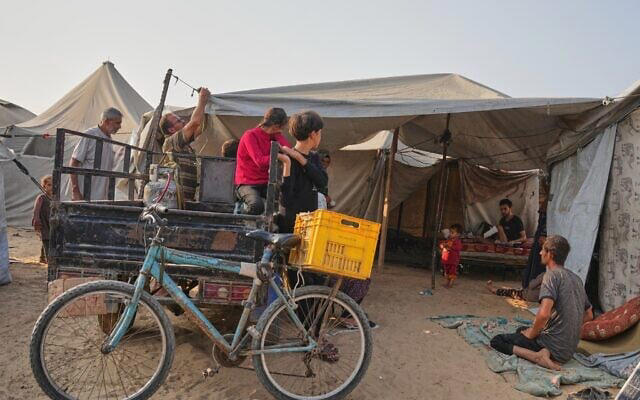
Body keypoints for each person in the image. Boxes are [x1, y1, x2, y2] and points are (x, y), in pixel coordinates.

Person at [490, 235, 594, 370]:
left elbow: (543, 314)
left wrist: (532, 333)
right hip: (568, 351)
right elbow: (589, 315)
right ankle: (544, 352)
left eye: (542, 250)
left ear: (550, 254)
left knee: (498, 341)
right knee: (521, 330)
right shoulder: (577, 279)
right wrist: (566, 329)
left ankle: (537, 356)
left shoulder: (551, 276)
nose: (540, 253)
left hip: (553, 346)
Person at [279, 110, 328, 233]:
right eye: (320, 133)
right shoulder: (286, 158)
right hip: (292, 223)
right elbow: (286, 198)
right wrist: (289, 163)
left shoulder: (314, 157)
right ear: (313, 134)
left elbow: (322, 182)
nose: (320, 137)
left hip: (311, 221)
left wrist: (300, 159)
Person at [235, 108, 291, 215]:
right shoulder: (250, 135)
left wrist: (278, 135)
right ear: (276, 125)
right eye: (282, 126)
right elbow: (259, 161)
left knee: (286, 200)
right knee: (256, 206)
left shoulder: (274, 135)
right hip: (247, 183)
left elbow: (287, 149)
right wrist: (278, 155)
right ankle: (239, 213)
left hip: (266, 182)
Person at [161, 87, 211, 202]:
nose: (183, 121)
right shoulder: (171, 142)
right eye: (178, 121)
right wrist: (202, 100)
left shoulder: (184, 145)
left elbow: (200, 126)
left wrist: (204, 104)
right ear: (172, 130)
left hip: (186, 199)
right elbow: (195, 123)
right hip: (176, 199)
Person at [68, 108, 122, 201]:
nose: (120, 126)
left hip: (100, 198)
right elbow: (74, 162)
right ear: (106, 121)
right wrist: (75, 191)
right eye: (117, 123)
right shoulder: (90, 134)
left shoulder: (109, 139)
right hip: (84, 195)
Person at [522, 185, 549, 288]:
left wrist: (543, 234)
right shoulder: (545, 205)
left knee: (539, 265)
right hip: (540, 239)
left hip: (543, 240)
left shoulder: (549, 204)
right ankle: (529, 285)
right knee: (535, 263)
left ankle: (533, 286)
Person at [32, 175, 53, 263]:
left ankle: (42, 257)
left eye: (53, 185)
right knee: (46, 239)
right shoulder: (41, 198)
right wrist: (36, 220)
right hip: (43, 223)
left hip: (51, 222)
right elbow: (36, 210)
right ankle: (48, 259)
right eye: (49, 185)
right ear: (44, 186)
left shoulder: (55, 198)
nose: (51, 187)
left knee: (49, 238)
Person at [440, 223, 463, 288]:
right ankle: (447, 282)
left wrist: (450, 246)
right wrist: (442, 245)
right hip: (446, 259)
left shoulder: (457, 241)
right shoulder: (448, 240)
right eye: (450, 232)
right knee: (447, 272)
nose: (450, 234)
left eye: (452, 233)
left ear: (458, 234)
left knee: (452, 272)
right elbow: (444, 245)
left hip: (453, 260)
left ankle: (451, 284)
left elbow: (458, 248)